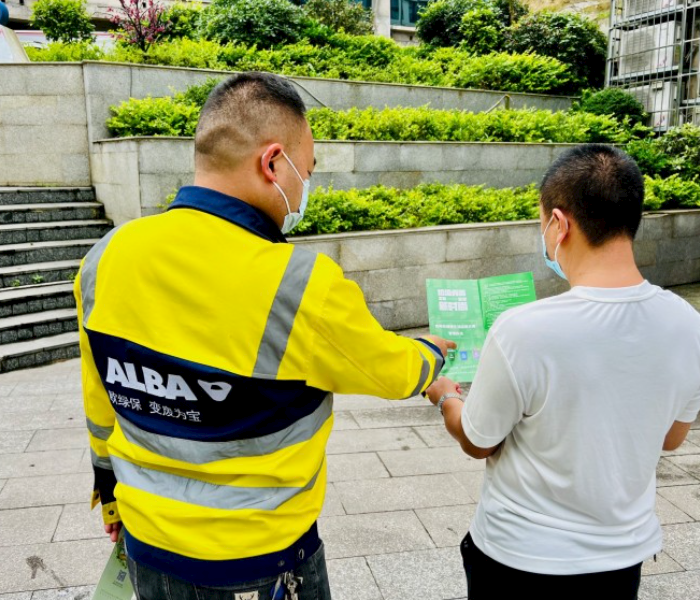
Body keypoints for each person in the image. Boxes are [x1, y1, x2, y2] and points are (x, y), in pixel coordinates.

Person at [74, 71, 455, 600]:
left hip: (147, 550)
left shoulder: (106, 257)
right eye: (307, 169)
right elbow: (391, 372)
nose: (306, 187)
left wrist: (110, 496)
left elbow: (99, 403)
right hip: (261, 566)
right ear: (273, 163)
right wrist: (431, 354)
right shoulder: (301, 285)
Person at [425, 144, 700, 598]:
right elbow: (671, 438)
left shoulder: (523, 329)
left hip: (518, 560)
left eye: (541, 223)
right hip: (620, 561)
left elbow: (479, 441)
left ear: (559, 224)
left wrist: (445, 394)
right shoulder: (691, 327)